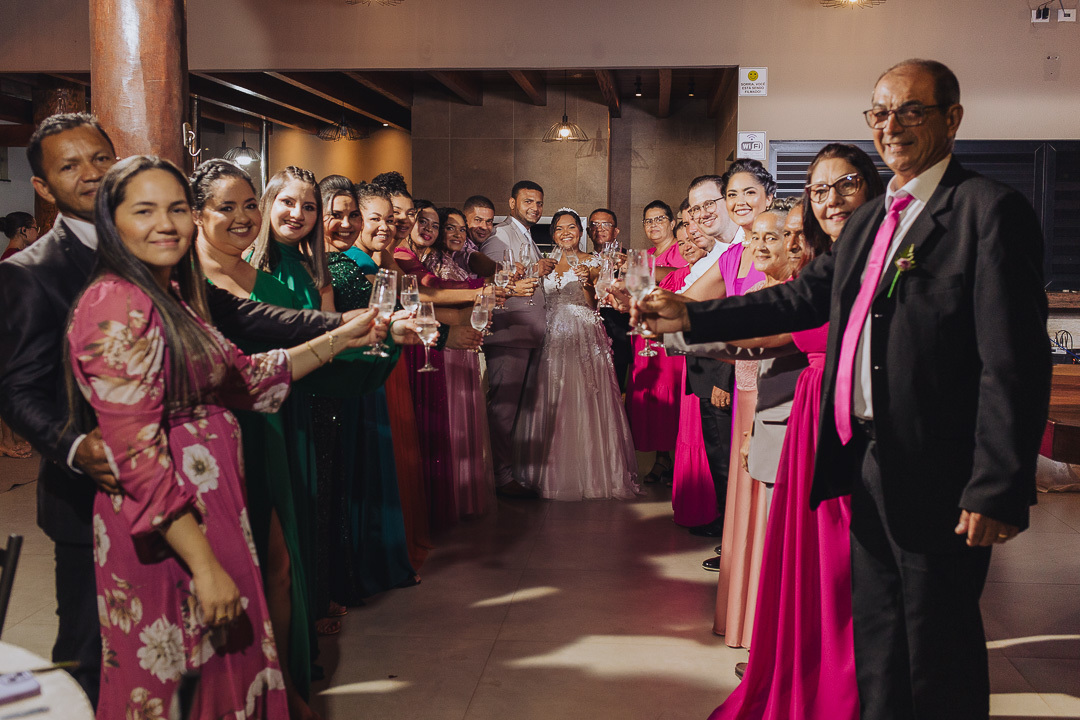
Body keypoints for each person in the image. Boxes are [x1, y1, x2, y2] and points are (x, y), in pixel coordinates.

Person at [638, 59, 1050, 720]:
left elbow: (1016, 360)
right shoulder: (871, 220)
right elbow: (803, 298)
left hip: (937, 466)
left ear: (952, 119)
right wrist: (693, 316)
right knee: (881, 635)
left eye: (911, 111)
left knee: (938, 649)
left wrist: (997, 483)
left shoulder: (987, 211)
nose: (892, 127)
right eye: (879, 114)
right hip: (860, 457)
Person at [0, 113, 347, 707]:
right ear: (42, 185)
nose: (88, 174)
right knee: (106, 660)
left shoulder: (174, 281)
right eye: (69, 165)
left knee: (211, 671)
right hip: (121, 493)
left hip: (207, 501)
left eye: (98, 159)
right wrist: (75, 447)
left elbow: (242, 347)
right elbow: (18, 388)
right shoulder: (47, 280)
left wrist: (344, 330)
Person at [65, 155, 382, 718]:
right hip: (169, 530)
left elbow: (249, 377)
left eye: (177, 209)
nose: (167, 224)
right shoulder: (115, 303)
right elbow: (136, 456)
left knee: (227, 675)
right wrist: (207, 568)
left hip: (216, 510)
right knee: (174, 684)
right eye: (145, 210)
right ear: (113, 223)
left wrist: (347, 333)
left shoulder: (177, 298)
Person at [698, 144, 884, 720]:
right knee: (823, 560)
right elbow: (769, 326)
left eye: (844, 186)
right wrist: (680, 324)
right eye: (819, 192)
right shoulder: (824, 271)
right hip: (814, 414)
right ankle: (815, 669)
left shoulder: (879, 253)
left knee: (853, 561)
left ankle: (852, 677)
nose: (829, 203)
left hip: (858, 418)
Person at [513, 208, 640, 500]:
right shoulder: (543, 262)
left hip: (584, 332)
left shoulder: (593, 261)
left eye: (572, 228)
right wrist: (534, 272)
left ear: (581, 233)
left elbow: (595, 303)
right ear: (553, 233)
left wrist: (587, 281)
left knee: (586, 397)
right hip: (550, 334)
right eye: (559, 229)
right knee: (552, 397)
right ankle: (548, 471)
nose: (565, 233)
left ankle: (592, 473)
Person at [479, 180, 555, 497]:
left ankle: (509, 472)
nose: (534, 208)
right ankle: (500, 477)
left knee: (513, 410)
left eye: (538, 203)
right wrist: (535, 270)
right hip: (509, 333)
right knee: (503, 410)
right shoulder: (499, 234)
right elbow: (496, 279)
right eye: (527, 201)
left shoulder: (526, 236)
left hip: (526, 336)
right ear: (512, 203)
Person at [626, 200, 687, 485]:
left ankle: (680, 460)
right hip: (645, 333)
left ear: (672, 222)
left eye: (659, 219)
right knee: (654, 396)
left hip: (670, 334)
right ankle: (663, 459)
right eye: (648, 221)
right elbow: (636, 288)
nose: (653, 225)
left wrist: (639, 269)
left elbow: (679, 277)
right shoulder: (646, 254)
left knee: (673, 393)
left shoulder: (682, 248)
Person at [586, 208, 632, 392]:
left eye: (606, 224)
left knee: (616, 392)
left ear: (616, 231)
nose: (600, 229)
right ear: (589, 231)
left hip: (619, 335)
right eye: (595, 225)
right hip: (588, 338)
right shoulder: (584, 261)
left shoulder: (629, 260)